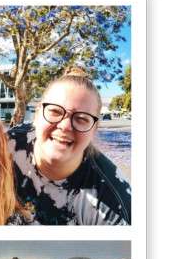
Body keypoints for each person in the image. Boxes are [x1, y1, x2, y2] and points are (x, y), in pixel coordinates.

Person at [8, 66, 131, 225]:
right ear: (37, 115)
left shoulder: (113, 203)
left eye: (81, 118)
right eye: (55, 112)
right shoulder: (5, 145)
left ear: (94, 130)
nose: (65, 126)